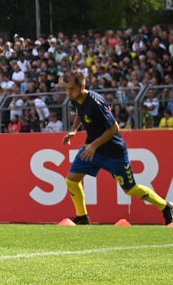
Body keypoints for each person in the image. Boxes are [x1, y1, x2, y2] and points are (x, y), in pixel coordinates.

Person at [61, 70, 172, 226]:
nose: (68, 92)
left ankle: (166, 206)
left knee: (130, 189)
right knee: (71, 181)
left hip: (113, 152)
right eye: (66, 88)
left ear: (82, 86)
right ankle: (82, 217)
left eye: (71, 88)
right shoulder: (75, 98)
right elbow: (80, 113)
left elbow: (114, 128)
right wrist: (73, 130)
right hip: (93, 149)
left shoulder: (96, 103)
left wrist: (93, 145)